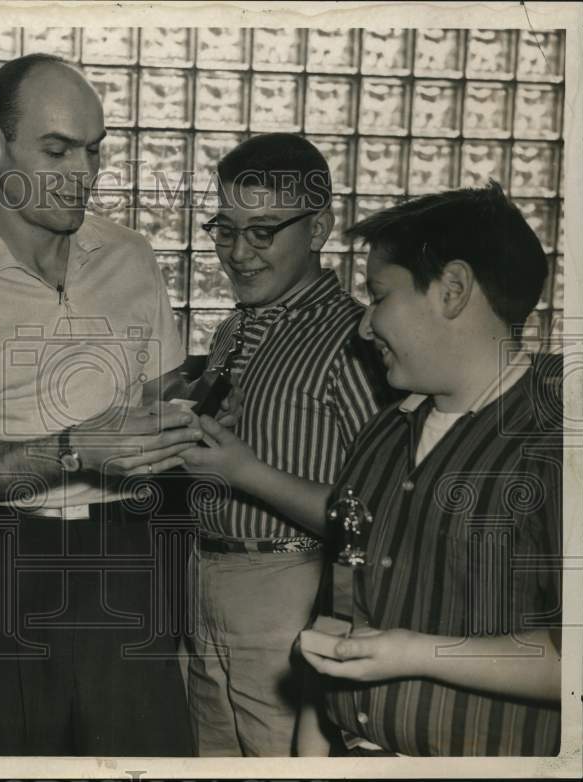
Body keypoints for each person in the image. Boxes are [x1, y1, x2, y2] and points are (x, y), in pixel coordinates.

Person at [0, 53, 202, 756]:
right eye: (56, 150)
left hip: (127, 546)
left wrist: (208, 399)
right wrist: (77, 448)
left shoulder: (131, 254)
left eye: (93, 151)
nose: (83, 174)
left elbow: (165, 404)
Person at [297, 181, 562, 756]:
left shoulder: (557, 438)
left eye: (379, 296)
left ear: (452, 290)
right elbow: (338, 616)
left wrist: (418, 653)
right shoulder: (385, 431)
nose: (365, 326)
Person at [176, 134, 386, 756]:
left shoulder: (357, 338)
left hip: (291, 586)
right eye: (225, 228)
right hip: (202, 574)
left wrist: (244, 472)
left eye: (264, 231)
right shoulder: (232, 329)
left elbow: (373, 514)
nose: (238, 253)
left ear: (318, 228)